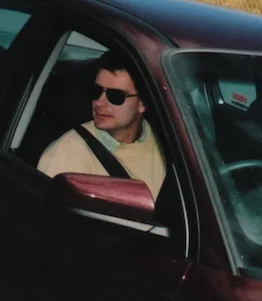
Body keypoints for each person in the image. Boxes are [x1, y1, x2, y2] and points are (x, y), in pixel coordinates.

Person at [37, 51, 166, 199]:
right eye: (96, 91)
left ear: (142, 103)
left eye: (115, 96)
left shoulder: (167, 142)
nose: (99, 102)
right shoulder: (65, 156)